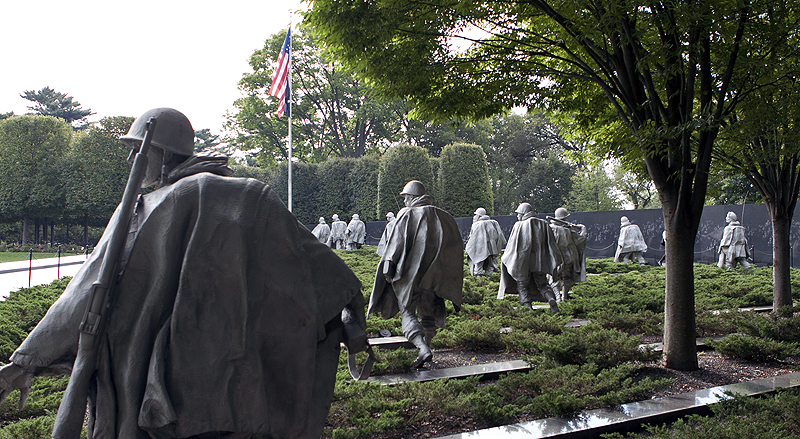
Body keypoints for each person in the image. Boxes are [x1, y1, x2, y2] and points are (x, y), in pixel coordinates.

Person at [0, 108, 365, 439]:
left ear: (160, 153)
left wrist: (27, 358)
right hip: (242, 387)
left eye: (137, 149)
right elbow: (331, 275)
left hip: (166, 389)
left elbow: (87, 290)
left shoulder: (148, 208)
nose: (131, 158)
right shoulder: (253, 196)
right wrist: (353, 321)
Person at [368, 180, 463, 368]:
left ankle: (422, 348)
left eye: (406, 197)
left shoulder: (407, 214)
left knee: (407, 312)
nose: (404, 202)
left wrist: (388, 267)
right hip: (435, 277)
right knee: (427, 313)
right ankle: (427, 347)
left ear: (412, 197)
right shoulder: (444, 217)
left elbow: (396, 243)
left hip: (411, 277)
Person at [498, 202, 561, 312]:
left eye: (519, 213)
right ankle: (551, 299)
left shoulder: (519, 225)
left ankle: (527, 307)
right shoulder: (544, 224)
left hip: (523, 262)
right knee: (543, 283)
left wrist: (505, 258)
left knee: (521, 284)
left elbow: (512, 247)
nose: (517, 216)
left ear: (524, 212)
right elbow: (551, 244)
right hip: (540, 262)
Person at [547, 207, 587, 302]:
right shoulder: (568, 231)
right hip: (569, 259)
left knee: (554, 278)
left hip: (554, 259)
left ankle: (558, 298)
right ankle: (564, 297)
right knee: (566, 278)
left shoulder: (549, 229)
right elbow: (581, 239)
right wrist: (583, 228)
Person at [465, 207, 506, 276]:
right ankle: (487, 279)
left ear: (479, 216)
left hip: (479, 249)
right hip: (492, 249)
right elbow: (500, 237)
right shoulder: (494, 223)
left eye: (476, 215)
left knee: (478, 266)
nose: (474, 217)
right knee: (490, 267)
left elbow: (472, 239)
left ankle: (479, 281)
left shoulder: (477, 225)